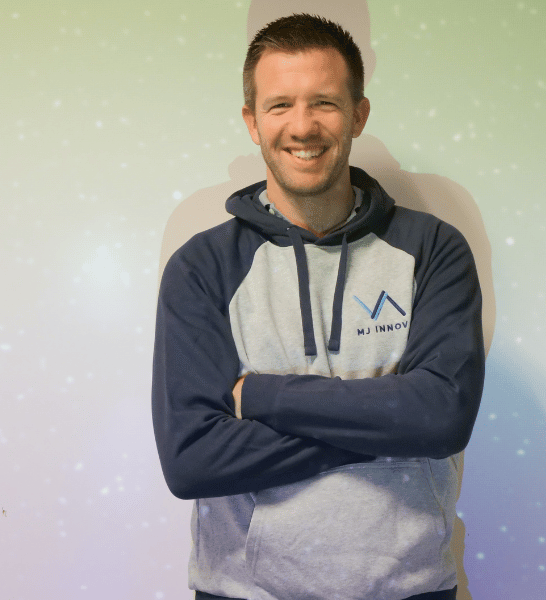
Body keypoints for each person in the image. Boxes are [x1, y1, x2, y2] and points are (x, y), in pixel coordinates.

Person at [152, 13, 484, 600]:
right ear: (252, 121)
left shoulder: (432, 248)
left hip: (409, 589)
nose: (302, 126)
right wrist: (390, 425)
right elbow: (193, 459)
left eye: (324, 103)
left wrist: (262, 398)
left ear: (358, 113)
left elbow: (441, 418)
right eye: (280, 105)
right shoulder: (203, 266)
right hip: (244, 591)